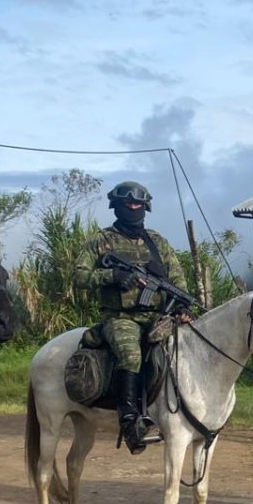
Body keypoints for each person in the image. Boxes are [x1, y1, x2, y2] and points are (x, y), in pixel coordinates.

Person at [74, 181, 193, 455]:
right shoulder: (101, 241)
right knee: (131, 355)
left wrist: (182, 306)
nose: (134, 209)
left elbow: (177, 279)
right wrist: (113, 277)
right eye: (128, 205)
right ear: (116, 207)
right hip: (120, 318)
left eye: (138, 205)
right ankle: (130, 422)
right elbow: (80, 276)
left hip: (158, 316)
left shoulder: (157, 242)